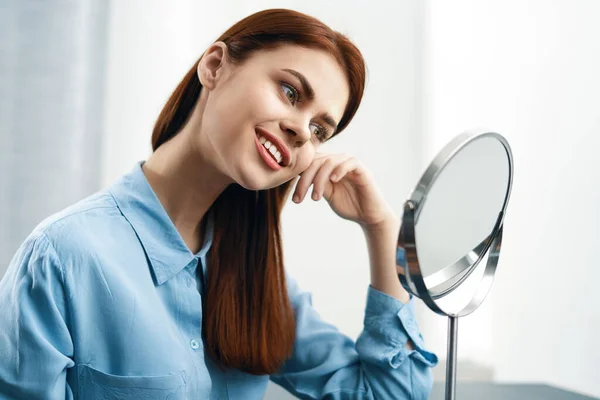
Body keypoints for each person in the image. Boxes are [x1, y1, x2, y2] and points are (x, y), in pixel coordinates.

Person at [0, 8, 437, 400]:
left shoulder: (259, 281)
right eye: (289, 91)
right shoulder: (64, 257)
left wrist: (380, 226)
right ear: (215, 66)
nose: (303, 132)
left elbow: (390, 394)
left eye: (321, 130)